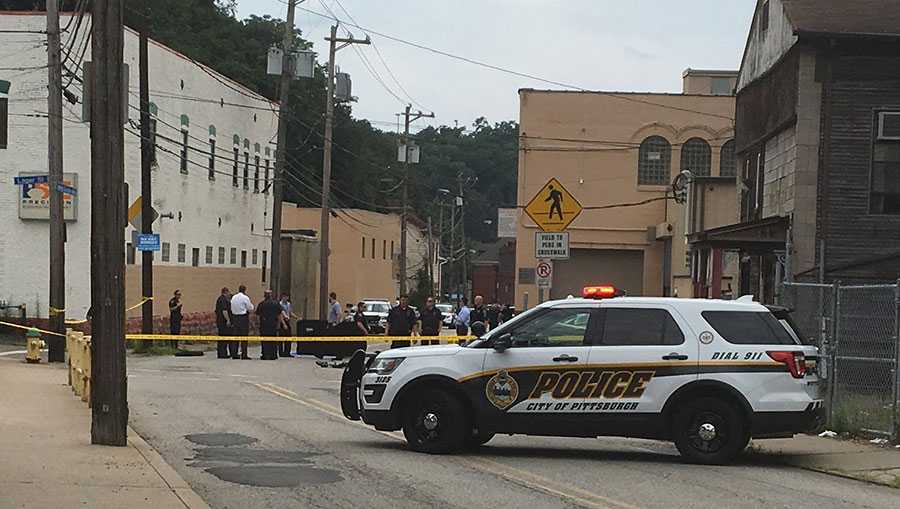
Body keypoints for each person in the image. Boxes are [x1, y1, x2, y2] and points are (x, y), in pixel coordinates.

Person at [256, 290, 285, 360]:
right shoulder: (276, 303)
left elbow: (257, 315)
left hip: (264, 325)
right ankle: (273, 355)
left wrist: (258, 324)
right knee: (273, 340)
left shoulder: (261, 304)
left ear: (264, 295)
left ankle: (265, 354)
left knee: (264, 340)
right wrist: (280, 324)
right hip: (273, 325)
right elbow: (279, 315)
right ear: (271, 295)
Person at [229, 284, 253, 359]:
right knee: (244, 337)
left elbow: (231, 306)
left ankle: (234, 354)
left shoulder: (233, 297)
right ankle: (244, 354)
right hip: (243, 318)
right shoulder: (245, 298)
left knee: (235, 337)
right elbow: (250, 308)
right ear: (245, 290)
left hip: (235, 317)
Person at [215, 287, 233, 359]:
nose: (229, 294)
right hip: (223, 322)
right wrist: (228, 320)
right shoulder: (223, 300)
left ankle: (222, 353)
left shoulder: (220, 299)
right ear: (225, 292)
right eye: (228, 292)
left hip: (220, 321)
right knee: (224, 337)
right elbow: (224, 311)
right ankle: (222, 354)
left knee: (222, 338)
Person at [278, 293, 294, 358]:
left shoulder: (288, 304)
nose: (286, 298)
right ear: (282, 297)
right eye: (284, 297)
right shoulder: (280, 304)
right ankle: (281, 353)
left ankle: (287, 352)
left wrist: (296, 317)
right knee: (281, 338)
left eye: (287, 297)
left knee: (289, 337)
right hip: (282, 322)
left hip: (288, 321)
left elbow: (290, 312)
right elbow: (280, 314)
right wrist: (284, 323)